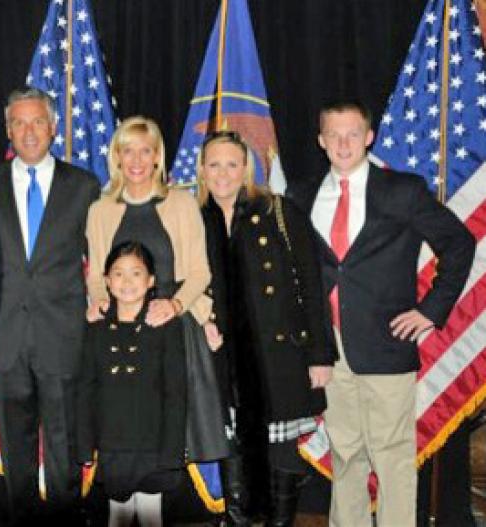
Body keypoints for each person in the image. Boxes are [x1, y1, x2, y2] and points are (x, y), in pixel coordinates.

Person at [290, 100, 475, 526]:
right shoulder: (300, 194)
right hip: (328, 349)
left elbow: (459, 244)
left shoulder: (402, 191)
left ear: (369, 137)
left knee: (391, 457)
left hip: (387, 345)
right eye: (333, 134)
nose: (343, 143)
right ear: (321, 141)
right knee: (345, 454)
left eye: (352, 133)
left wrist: (431, 310)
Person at [0, 87, 100, 524]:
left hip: (62, 338)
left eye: (37, 121)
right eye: (19, 123)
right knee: (17, 453)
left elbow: (99, 261)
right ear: (8, 130)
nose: (29, 131)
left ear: (53, 127)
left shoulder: (83, 186)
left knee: (63, 450)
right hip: (6, 340)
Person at [198, 130, 335, 526]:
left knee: (281, 451)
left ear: (246, 169)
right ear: (202, 171)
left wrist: (319, 356)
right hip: (224, 360)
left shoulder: (278, 210)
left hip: (279, 357)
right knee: (233, 448)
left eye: (231, 164)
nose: (223, 173)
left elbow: (311, 284)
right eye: (213, 164)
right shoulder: (195, 219)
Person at [86, 116, 229, 474]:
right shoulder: (100, 210)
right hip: (121, 335)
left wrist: (176, 305)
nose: (136, 161)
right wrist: (100, 301)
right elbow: (96, 278)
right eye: (127, 151)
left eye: (145, 151)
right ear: (116, 157)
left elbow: (200, 272)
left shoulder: (181, 203)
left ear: (157, 157)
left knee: (176, 425)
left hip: (174, 324)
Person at [77, 241, 186, 527]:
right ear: (107, 281)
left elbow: (176, 392)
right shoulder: (96, 328)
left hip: (154, 443)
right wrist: (84, 445)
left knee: (151, 516)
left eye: (136, 273)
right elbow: (86, 389)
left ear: (151, 281)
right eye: (118, 273)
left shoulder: (167, 327)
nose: (127, 282)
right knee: (119, 516)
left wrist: (172, 448)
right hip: (113, 444)